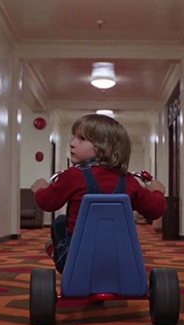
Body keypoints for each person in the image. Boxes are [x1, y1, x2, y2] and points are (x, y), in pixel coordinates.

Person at [31, 114, 166, 273]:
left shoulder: (72, 176)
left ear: (105, 146)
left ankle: (57, 253)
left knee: (59, 222)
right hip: (120, 255)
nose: (72, 143)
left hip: (77, 258)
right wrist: (157, 191)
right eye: (73, 137)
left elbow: (47, 203)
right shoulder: (128, 180)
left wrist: (39, 189)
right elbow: (155, 210)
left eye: (81, 139)